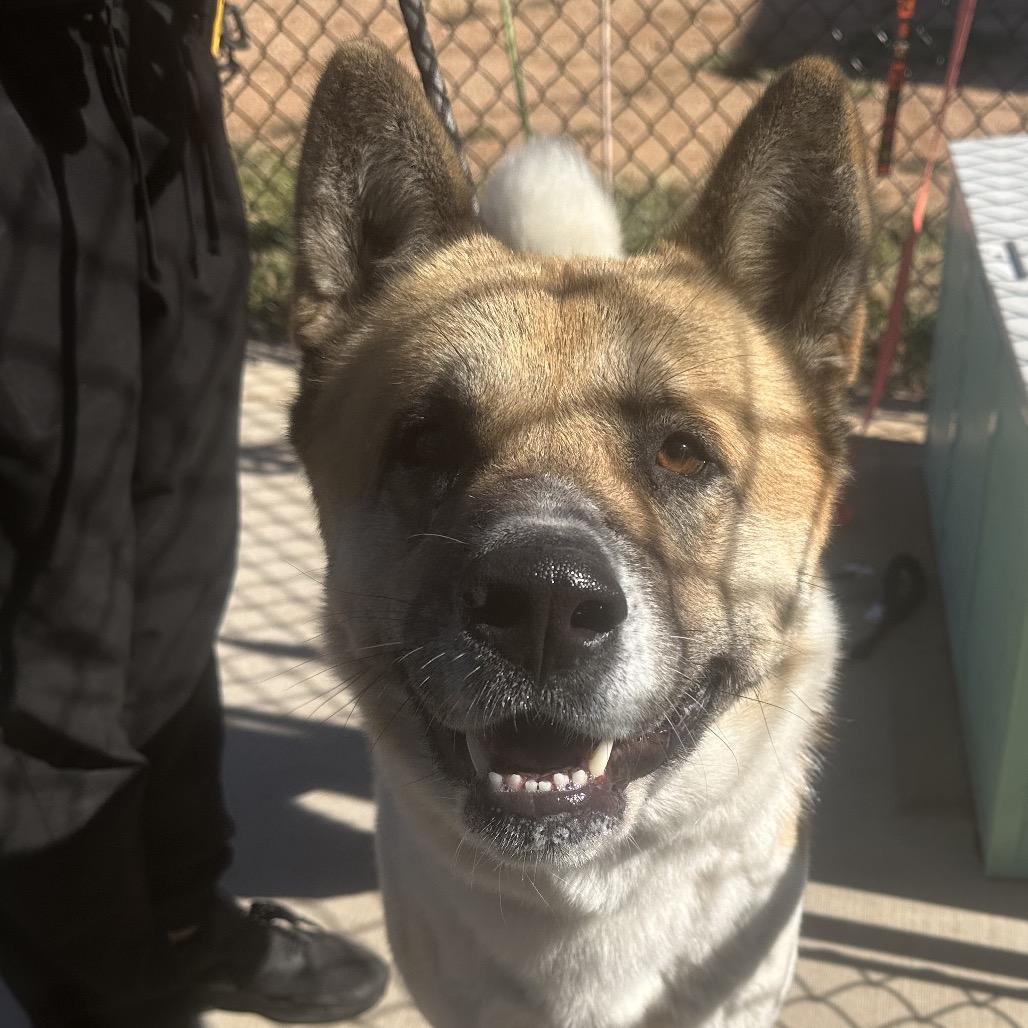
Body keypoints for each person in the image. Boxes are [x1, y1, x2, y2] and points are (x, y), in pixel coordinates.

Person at [0, 0, 389, 1023]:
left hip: (151, 54)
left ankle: (175, 915)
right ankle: (94, 967)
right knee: (50, 579)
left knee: (179, 537)